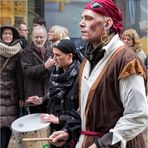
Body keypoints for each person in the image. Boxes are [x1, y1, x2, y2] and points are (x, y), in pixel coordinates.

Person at [48, 0, 148, 148]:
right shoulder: (87, 59)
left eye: (89, 18)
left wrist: (101, 144)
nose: (81, 23)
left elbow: (137, 116)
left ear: (107, 24)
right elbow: (86, 107)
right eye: (82, 18)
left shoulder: (126, 60)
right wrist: (69, 130)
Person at [26, 39, 81, 148]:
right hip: (55, 128)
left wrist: (59, 119)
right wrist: (41, 100)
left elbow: (82, 112)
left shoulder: (80, 77)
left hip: (71, 132)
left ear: (69, 56)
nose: (53, 58)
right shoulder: (55, 73)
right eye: (53, 54)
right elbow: (53, 95)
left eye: (58, 55)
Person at [20, 25, 55, 114]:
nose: (39, 40)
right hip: (34, 96)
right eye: (36, 37)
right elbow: (27, 71)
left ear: (46, 37)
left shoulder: (52, 51)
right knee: (36, 124)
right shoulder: (26, 52)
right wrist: (44, 66)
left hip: (49, 96)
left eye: (41, 37)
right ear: (32, 37)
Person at [0, 24, 23, 148]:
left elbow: (19, 75)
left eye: (10, 34)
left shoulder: (19, 50)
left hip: (11, 94)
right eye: (5, 33)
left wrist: (22, 96)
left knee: (8, 124)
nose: (7, 36)